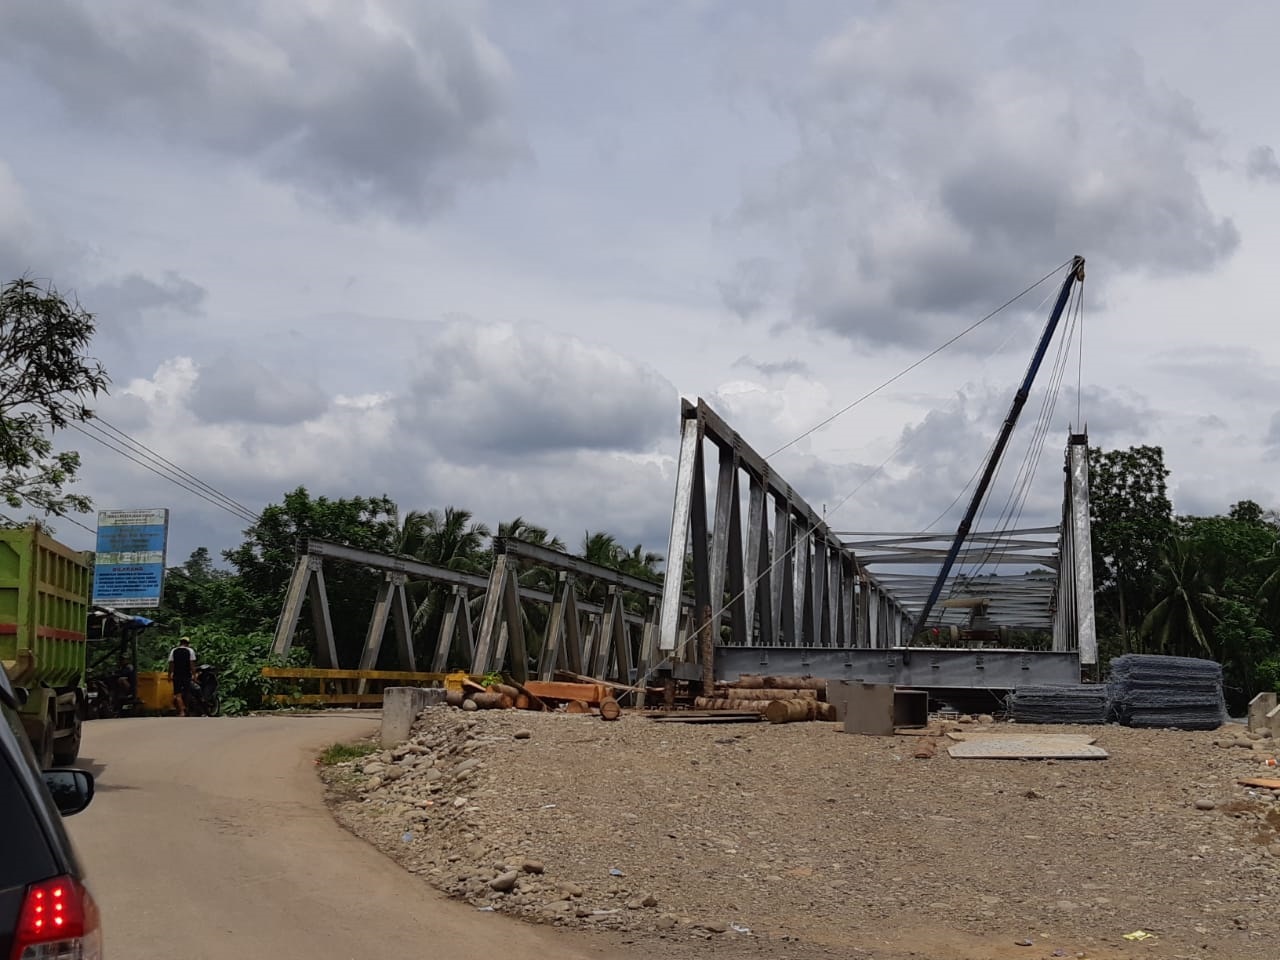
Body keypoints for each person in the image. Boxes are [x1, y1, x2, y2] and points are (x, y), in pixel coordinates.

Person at [168, 637, 198, 717]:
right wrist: (194, 675)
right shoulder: (190, 651)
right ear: (187, 643)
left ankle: (182, 711)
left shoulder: (173, 651)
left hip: (177, 675)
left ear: (180, 643)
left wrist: (169, 675)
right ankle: (187, 708)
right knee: (187, 692)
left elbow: (171, 664)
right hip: (186, 674)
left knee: (177, 694)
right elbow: (192, 664)